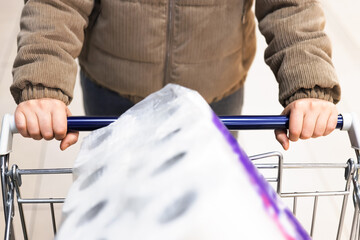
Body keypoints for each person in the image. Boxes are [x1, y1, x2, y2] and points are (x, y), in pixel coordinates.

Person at [11, 0, 340, 151]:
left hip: (215, 94)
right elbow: (56, 4)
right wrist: (43, 84)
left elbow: (290, 6)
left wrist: (308, 85)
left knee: (205, 195)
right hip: (114, 88)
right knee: (118, 197)